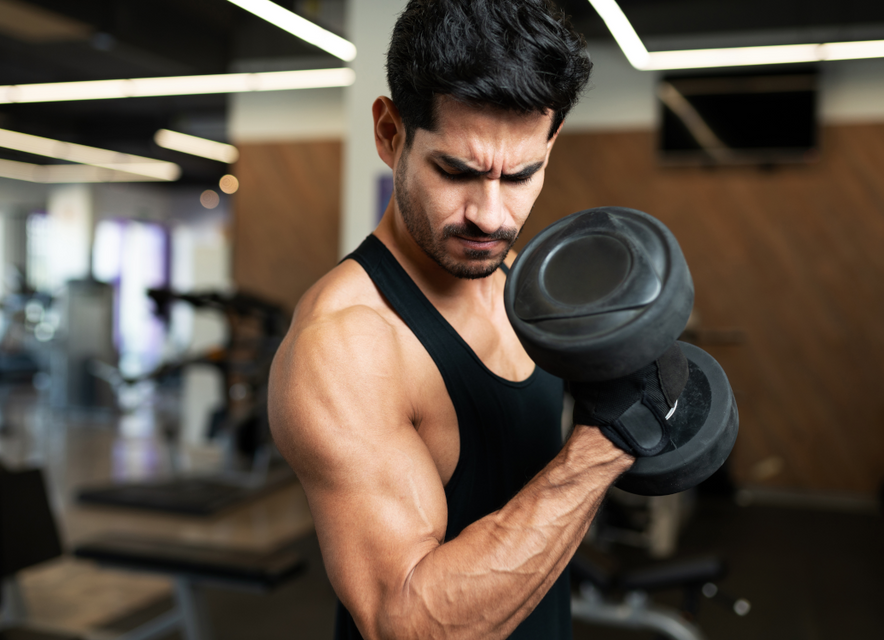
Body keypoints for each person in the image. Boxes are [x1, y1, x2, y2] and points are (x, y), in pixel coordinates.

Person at [268, 1, 634, 637]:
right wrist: (607, 445)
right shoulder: (347, 344)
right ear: (390, 134)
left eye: (522, 174)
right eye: (455, 171)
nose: (491, 216)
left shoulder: (519, 278)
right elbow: (404, 622)